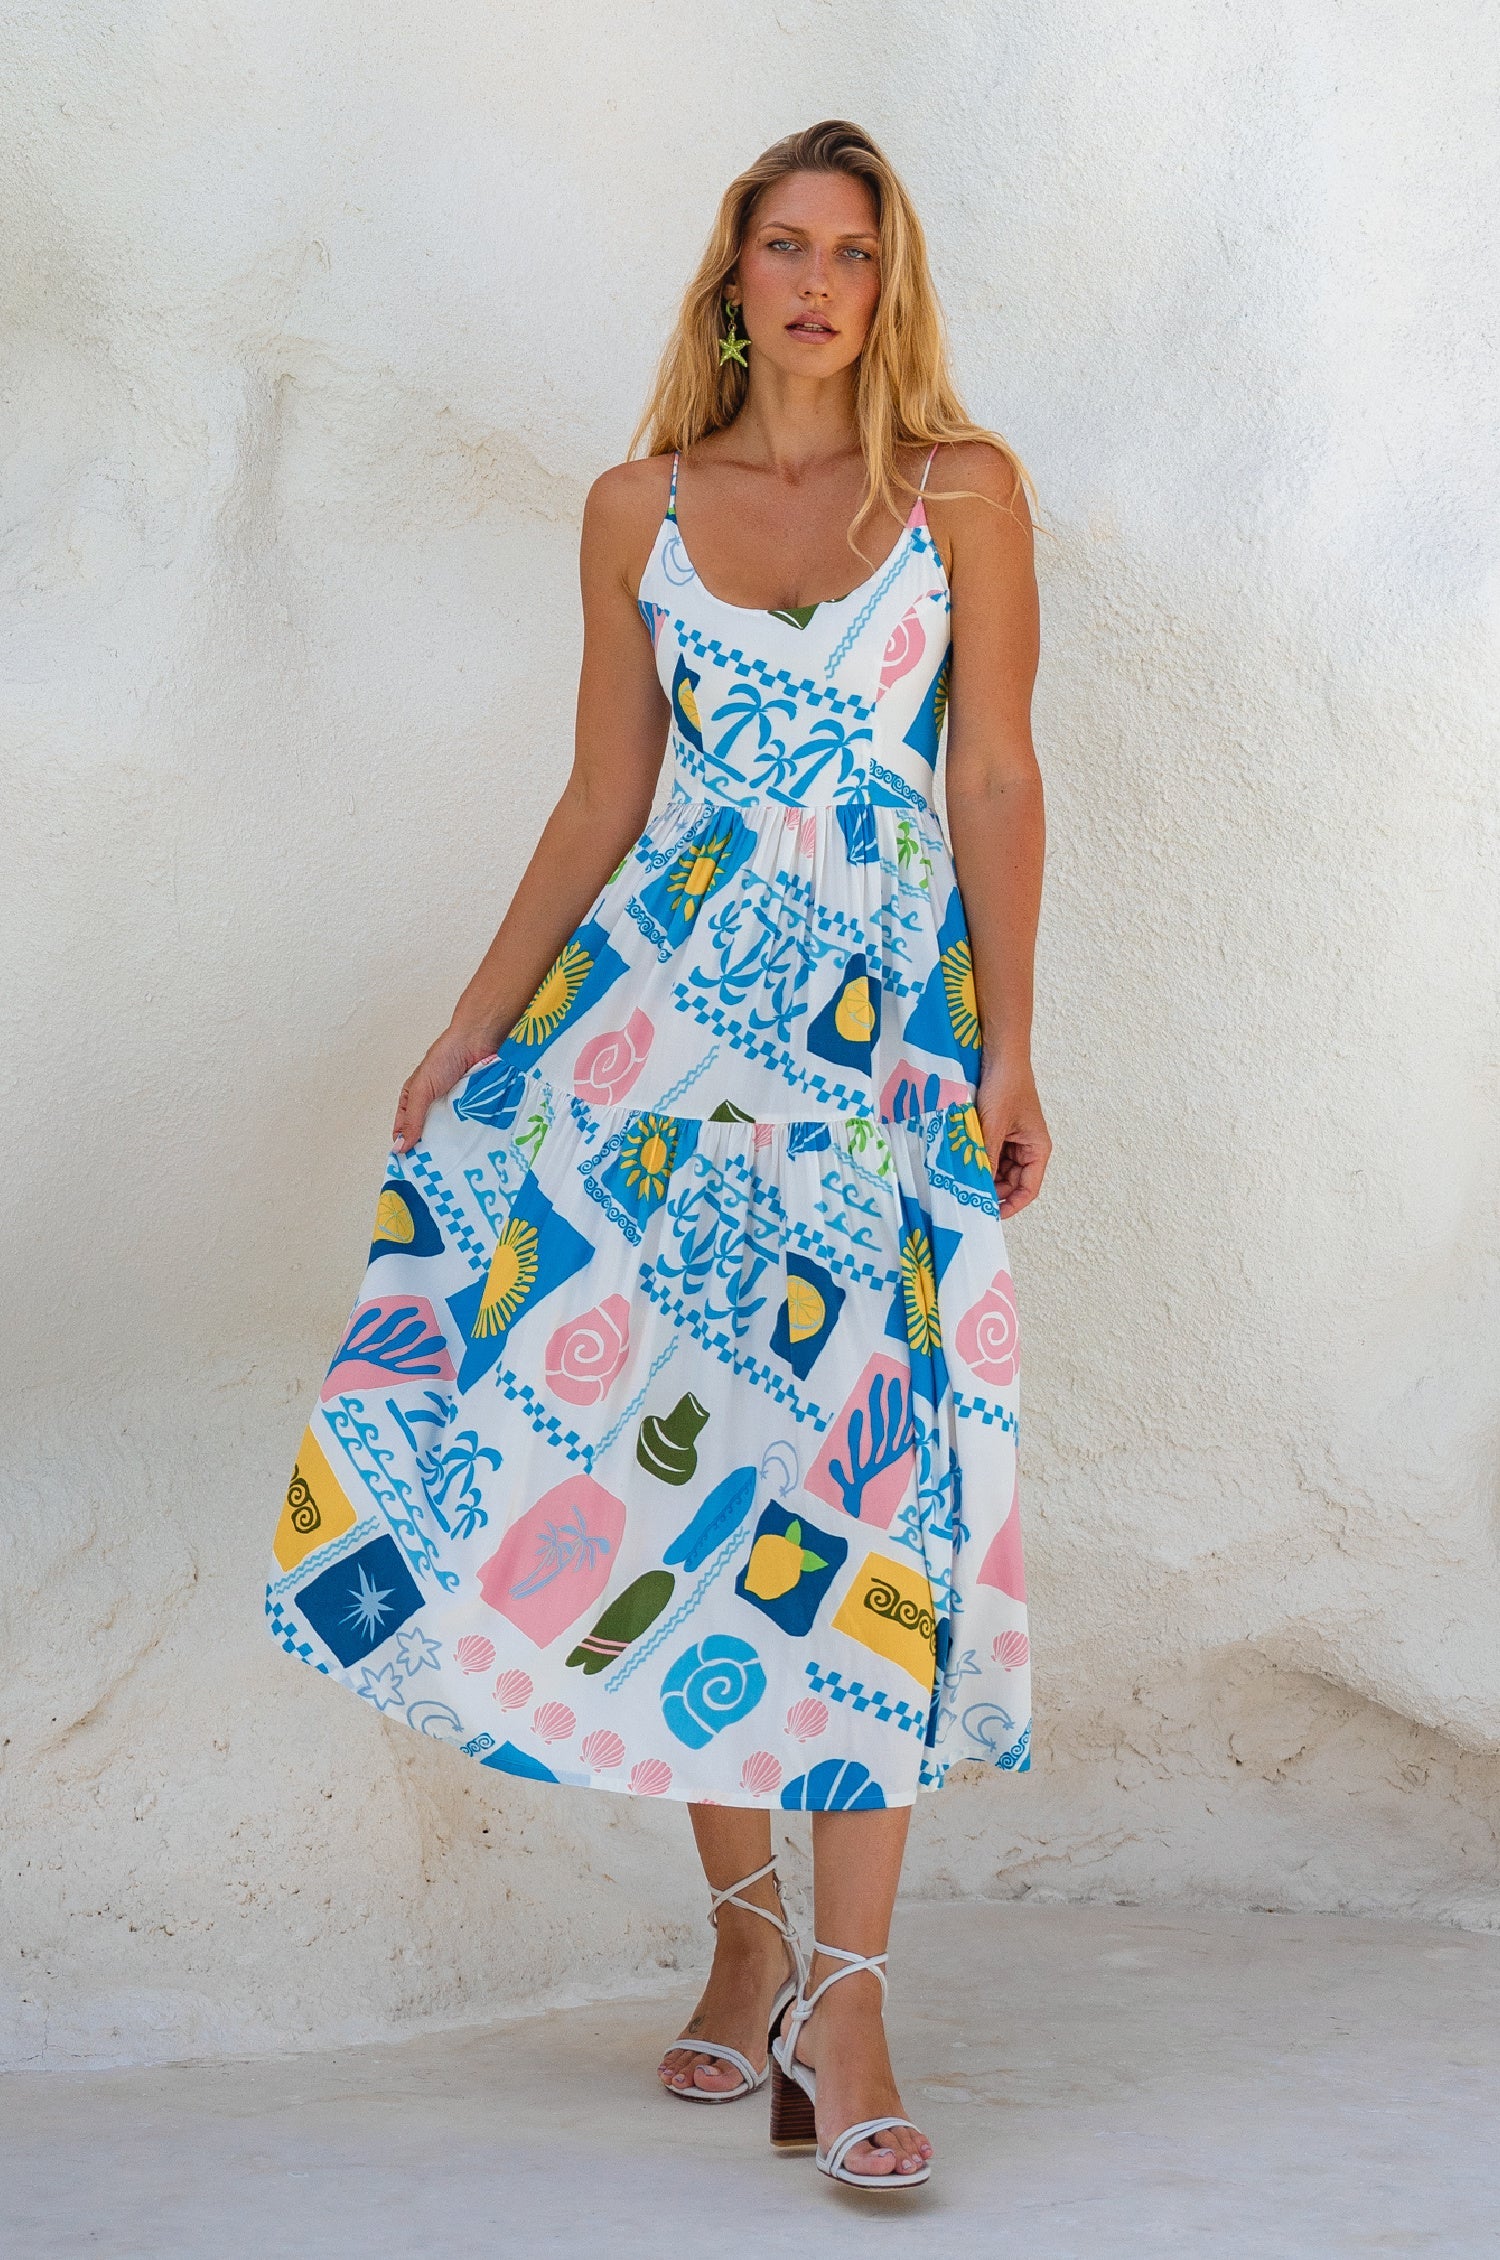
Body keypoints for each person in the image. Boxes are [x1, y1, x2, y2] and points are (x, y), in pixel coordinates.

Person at [267, 117, 1048, 2194]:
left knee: (868, 1496)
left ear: (888, 286)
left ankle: (851, 1999)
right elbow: (603, 795)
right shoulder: (640, 507)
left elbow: (991, 771)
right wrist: (472, 1022)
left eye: (853, 254)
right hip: (657, 1054)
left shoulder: (964, 493)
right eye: (786, 247)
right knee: (690, 1488)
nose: (818, 284)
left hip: (878, 1068)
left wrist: (1013, 1041)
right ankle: (749, 1944)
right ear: (732, 275)